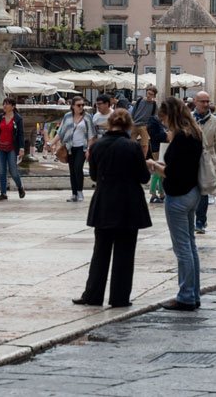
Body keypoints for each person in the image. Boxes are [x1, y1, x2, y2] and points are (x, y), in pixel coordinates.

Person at [72, 109, 151, 308]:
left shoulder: (98, 146)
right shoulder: (132, 147)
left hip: (104, 202)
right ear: (127, 125)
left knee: (100, 251)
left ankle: (93, 294)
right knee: (125, 253)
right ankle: (119, 297)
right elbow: (144, 177)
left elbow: (94, 176)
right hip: (128, 204)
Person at [146, 97, 204, 311]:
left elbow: (174, 172)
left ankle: (186, 296)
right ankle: (194, 293)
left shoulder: (181, 137)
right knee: (190, 245)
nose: (163, 122)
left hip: (178, 195)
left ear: (171, 114)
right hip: (193, 192)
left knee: (182, 249)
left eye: (163, 117)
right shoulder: (195, 133)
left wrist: (154, 165)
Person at [192, 91, 216, 234]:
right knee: (190, 191)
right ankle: (193, 218)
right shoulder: (188, 119)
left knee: (203, 191)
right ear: (195, 101)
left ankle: (200, 221)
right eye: (203, 101)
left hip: (207, 160)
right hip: (190, 160)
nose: (206, 104)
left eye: (208, 101)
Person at [51, 95, 97, 202]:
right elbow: (61, 132)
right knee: (72, 170)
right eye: (78, 105)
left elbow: (91, 135)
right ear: (72, 106)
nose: (81, 107)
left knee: (78, 168)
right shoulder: (67, 116)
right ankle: (74, 194)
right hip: (69, 147)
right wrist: (51, 143)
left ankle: (80, 192)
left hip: (82, 147)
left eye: (82, 105)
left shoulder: (87, 117)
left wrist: (89, 149)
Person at [0, 97, 25, 201]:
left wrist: (22, 148)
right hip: (1, 148)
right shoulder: (0, 117)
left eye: (7, 104)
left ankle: (20, 187)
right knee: (1, 171)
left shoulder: (18, 118)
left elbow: (21, 135)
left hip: (12, 148)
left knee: (13, 171)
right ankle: (3, 193)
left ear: (13, 106)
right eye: (4, 103)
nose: (4, 106)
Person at [130, 85, 159, 157]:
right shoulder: (140, 101)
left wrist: (148, 125)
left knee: (145, 145)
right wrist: (131, 121)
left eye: (151, 94)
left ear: (154, 96)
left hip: (144, 126)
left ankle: (143, 161)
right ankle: (130, 159)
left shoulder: (154, 105)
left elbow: (155, 117)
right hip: (135, 124)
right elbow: (133, 112)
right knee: (130, 144)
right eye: (148, 93)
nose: (149, 95)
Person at [146, 113, 167, 204]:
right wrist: (166, 135)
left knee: (160, 173)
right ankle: (153, 194)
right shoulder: (154, 122)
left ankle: (162, 194)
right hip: (157, 148)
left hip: (162, 148)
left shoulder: (160, 122)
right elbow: (155, 136)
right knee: (157, 172)